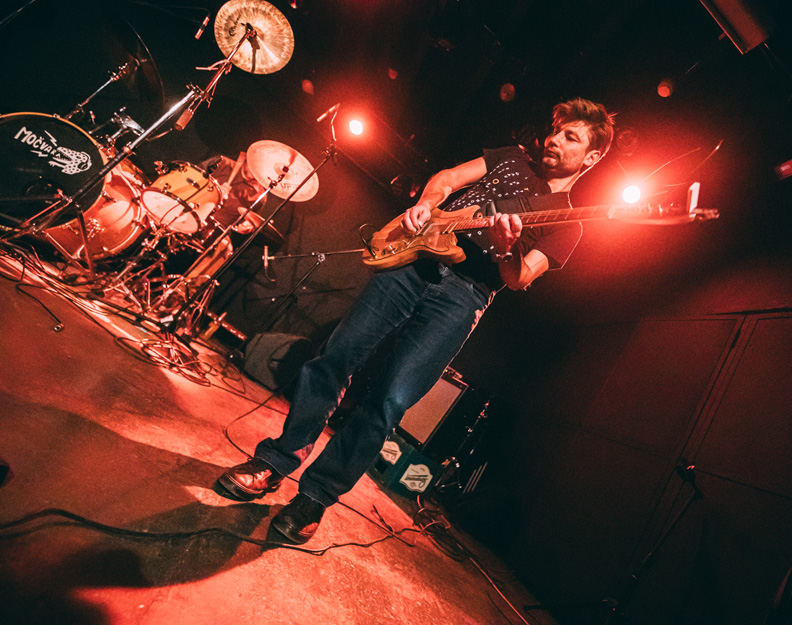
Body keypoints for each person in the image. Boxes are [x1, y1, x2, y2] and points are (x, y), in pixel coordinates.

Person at [215, 98, 615, 544]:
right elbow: (447, 180)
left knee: (391, 398)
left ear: (592, 157)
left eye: (570, 137)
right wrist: (425, 205)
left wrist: (508, 247)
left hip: (464, 296)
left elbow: (519, 278)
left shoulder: (570, 224)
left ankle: (314, 497)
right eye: (556, 130)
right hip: (414, 261)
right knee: (336, 357)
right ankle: (274, 463)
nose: (555, 140)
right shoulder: (512, 158)